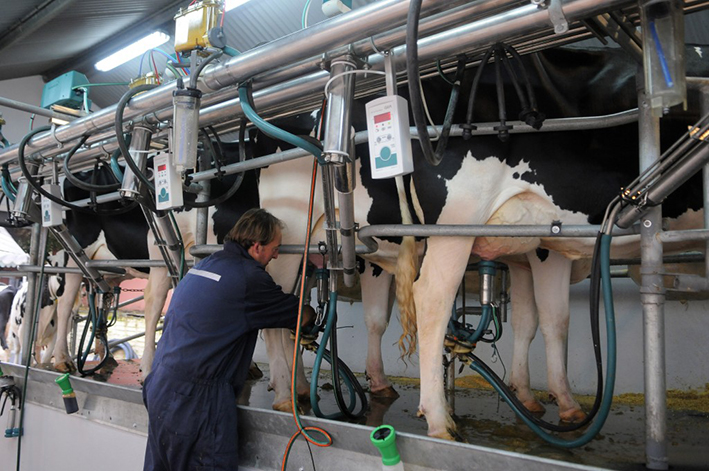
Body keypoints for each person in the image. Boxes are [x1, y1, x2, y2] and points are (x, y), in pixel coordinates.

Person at [142, 208, 315, 471]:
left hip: (160, 386)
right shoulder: (249, 277)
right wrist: (313, 312)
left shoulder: (205, 265)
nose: (277, 255)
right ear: (257, 247)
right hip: (197, 400)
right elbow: (297, 315)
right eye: (275, 248)